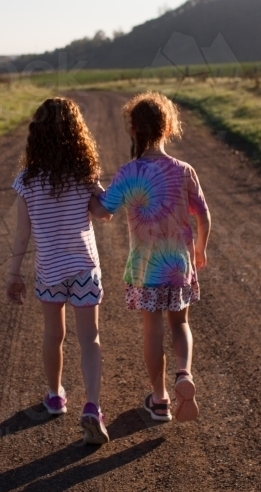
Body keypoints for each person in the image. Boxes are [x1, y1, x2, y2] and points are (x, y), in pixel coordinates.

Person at [90, 92, 210, 423]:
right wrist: (199, 249)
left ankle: (159, 401)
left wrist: (90, 186)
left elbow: (102, 211)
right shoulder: (185, 170)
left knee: (152, 331)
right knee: (181, 323)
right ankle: (183, 373)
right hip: (178, 265)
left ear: (133, 130)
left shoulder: (129, 173)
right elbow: (203, 215)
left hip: (145, 269)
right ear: (168, 127)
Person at [6, 96, 109, 444]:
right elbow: (104, 213)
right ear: (76, 134)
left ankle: (55, 395)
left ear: (37, 134)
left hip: (50, 270)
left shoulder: (26, 180)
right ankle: (92, 407)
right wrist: (101, 189)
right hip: (83, 267)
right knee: (89, 339)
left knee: (54, 335)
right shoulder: (83, 175)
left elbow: (22, 232)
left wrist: (14, 274)